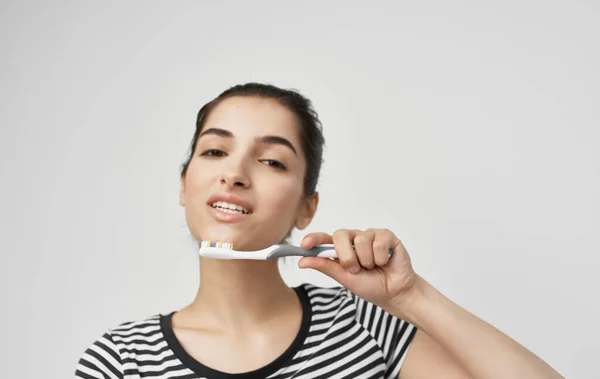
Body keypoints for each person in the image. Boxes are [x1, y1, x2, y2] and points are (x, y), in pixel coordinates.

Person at [75, 83, 563, 379]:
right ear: (185, 184)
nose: (235, 173)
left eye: (271, 160)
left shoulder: (363, 326)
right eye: (214, 152)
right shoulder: (122, 361)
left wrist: (413, 297)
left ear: (307, 207)